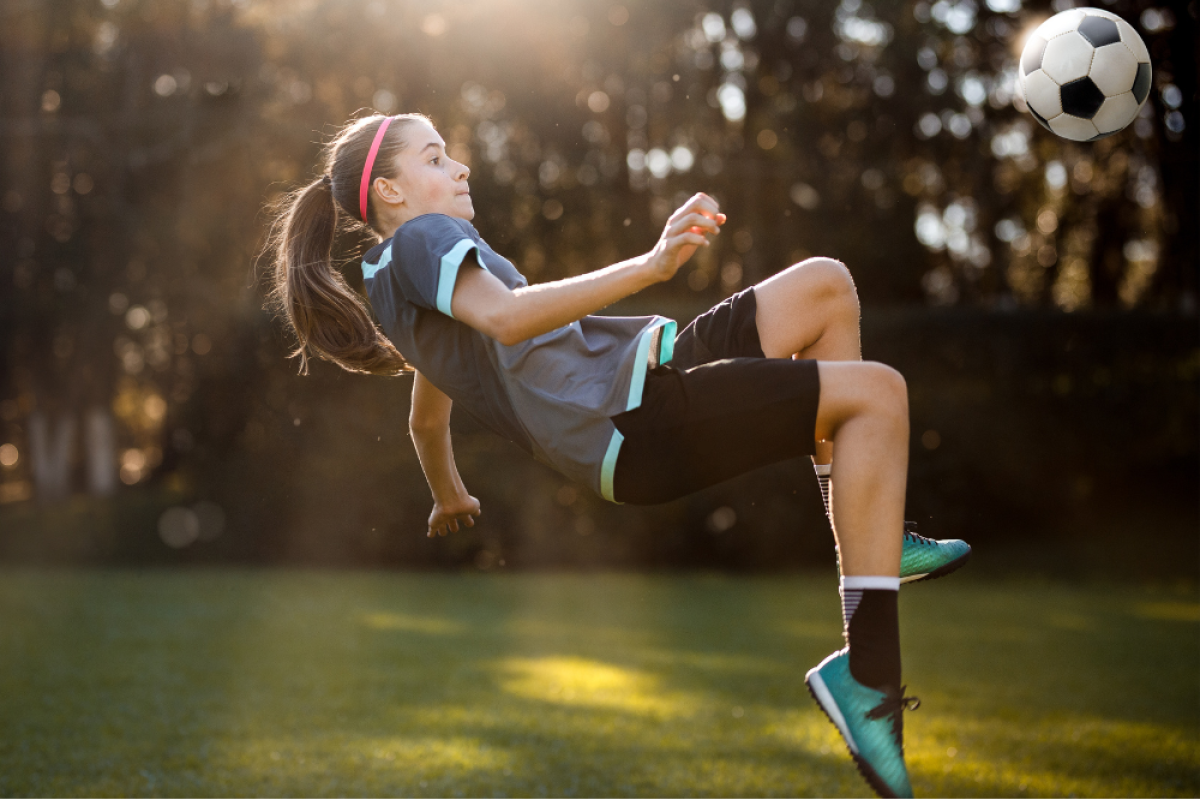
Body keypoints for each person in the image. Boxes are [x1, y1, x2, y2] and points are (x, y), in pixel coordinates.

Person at [266, 112, 971, 799]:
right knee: (879, 395)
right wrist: (651, 264)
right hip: (632, 425)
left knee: (825, 286)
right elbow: (508, 319)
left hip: (643, 382)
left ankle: (875, 547)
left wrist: (449, 494)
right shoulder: (426, 238)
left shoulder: (393, 281)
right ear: (388, 191)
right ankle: (869, 674)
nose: (460, 167)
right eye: (434, 157)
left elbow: (425, 419)